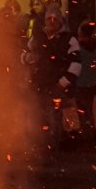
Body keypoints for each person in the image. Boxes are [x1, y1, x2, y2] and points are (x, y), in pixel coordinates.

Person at [28, 10, 82, 151]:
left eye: (54, 18)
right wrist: (27, 58)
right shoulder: (38, 38)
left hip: (56, 85)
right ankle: (42, 149)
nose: (51, 21)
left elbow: (76, 63)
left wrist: (63, 82)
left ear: (60, 21)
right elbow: (26, 52)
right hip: (40, 84)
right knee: (40, 117)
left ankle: (52, 149)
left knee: (53, 119)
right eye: (49, 18)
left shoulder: (69, 39)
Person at [73, 22, 96, 143]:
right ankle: (91, 134)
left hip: (81, 82)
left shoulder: (79, 47)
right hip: (92, 82)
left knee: (82, 111)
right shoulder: (94, 46)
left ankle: (85, 135)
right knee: (89, 109)